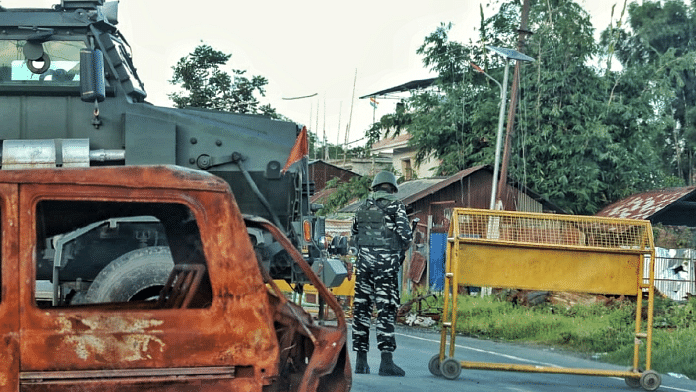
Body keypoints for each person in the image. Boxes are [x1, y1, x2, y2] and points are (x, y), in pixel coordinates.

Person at [351, 171, 412, 376]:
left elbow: (354, 235)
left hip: (364, 267)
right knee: (385, 311)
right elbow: (406, 235)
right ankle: (386, 362)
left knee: (362, 310)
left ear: (375, 187)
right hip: (385, 270)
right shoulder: (396, 206)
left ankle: (360, 362)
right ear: (392, 188)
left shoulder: (361, 208)